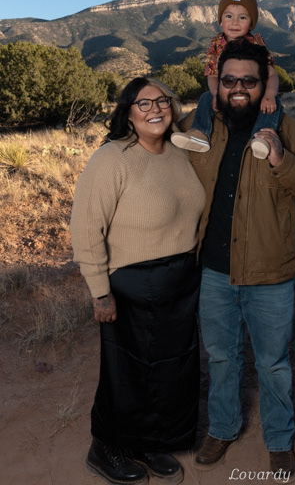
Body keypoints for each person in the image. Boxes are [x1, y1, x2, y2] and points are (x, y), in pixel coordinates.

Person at [180, 39, 295, 484]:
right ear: (218, 84)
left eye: (249, 80)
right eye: (230, 80)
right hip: (213, 272)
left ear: (265, 83)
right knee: (221, 358)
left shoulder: (290, 130)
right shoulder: (201, 128)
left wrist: (281, 159)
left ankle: (279, 440)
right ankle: (223, 428)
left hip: (270, 275)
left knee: (273, 363)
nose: (239, 88)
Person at [70, 77, 206, 485]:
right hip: (133, 283)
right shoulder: (112, 158)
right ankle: (106, 447)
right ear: (128, 113)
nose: (155, 109)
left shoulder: (180, 151)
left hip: (181, 281)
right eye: (143, 103)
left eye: (162, 100)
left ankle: (149, 442)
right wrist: (100, 292)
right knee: (127, 373)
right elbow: (85, 228)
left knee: (171, 371)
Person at [171, 0, 281, 159]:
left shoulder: (256, 43)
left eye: (242, 17)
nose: (235, 22)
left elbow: (272, 75)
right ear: (220, 21)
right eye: (229, 16)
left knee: (274, 104)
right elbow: (212, 74)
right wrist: (217, 94)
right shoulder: (216, 43)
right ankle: (200, 133)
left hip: (253, 92)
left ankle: (261, 139)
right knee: (206, 97)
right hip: (227, 92)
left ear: (251, 23)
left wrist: (269, 95)